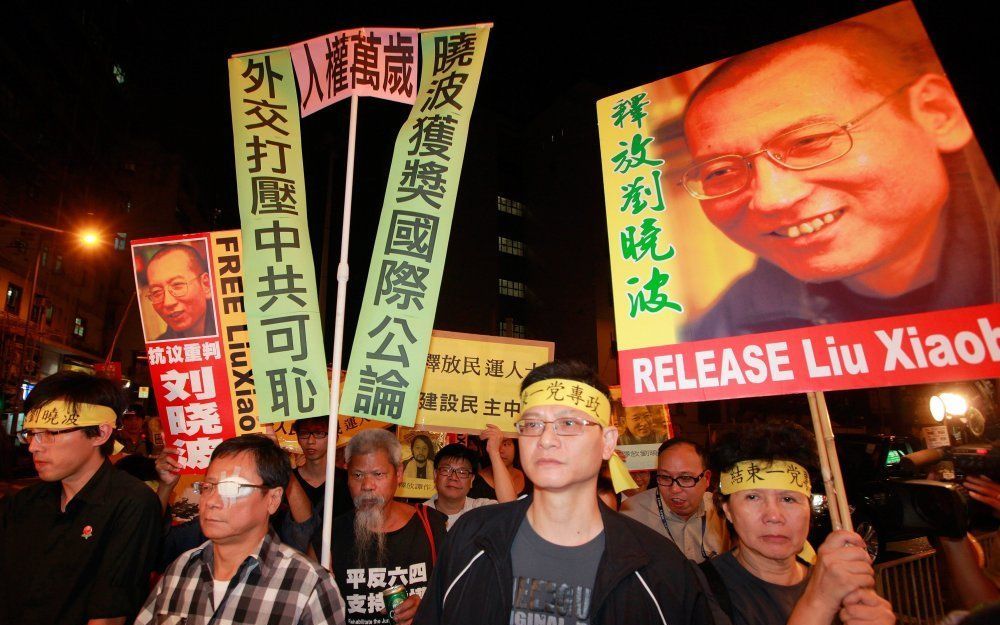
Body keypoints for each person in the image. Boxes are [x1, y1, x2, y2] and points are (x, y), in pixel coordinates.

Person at [679, 18, 997, 341]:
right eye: (720, 172)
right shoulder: (726, 330)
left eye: (808, 142)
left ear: (936, 112)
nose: (772, 198)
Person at [414, 360, 713, 625]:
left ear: (607, 441)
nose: (546, 439)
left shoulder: (659, 568)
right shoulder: (471, 538)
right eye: (532, 424)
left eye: (568, 423)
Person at [0, 372, 162, 625]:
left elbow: (109, 614)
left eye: (51, 433)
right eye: (31, 433)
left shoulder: (132, 503)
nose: (33, 446)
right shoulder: (25, 502)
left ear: (99, 433)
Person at [137, 434, 346, 624]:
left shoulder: (307, 585)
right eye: (208, 487)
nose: (212, 501)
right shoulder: (181, 569)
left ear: (273, 499)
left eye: (232, 488)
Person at [700, 421, 894, 625]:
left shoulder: (842, 586)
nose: (774, 516)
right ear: (727, 509)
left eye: (788, 499)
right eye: (753, 497)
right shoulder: (701, 589)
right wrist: (820, 602)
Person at [309, 429, 446, 625]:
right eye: (357, 475)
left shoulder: (430, 525)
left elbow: (455, 593)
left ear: (398, 474)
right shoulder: (328, 537)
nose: (367, 485)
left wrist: (426, 607)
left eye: (378, 474)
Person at [622, 438, 730, 562]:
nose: (674, 489)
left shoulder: (722, 511)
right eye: (664, 477)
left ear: (706, 478)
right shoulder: (631, 514)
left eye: (685, 478)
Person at [425, 426, 517, 528]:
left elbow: (511, 510)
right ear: (435, 475)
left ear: (472, 479)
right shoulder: (418, 515)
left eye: (462, 472)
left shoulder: (480, 509)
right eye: (446, 470)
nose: (453, 477)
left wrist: (494, 452)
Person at [143, 243, 216, 340]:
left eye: (177, 285)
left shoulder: (232, 328)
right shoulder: (162, 349)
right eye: (156, 292)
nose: (168, 303)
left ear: (206, 285)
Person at [467, 431, 530, 499]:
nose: (501, 450)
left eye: (506, 444)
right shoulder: (475, 482)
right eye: (495, 445)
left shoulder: (530, 477)